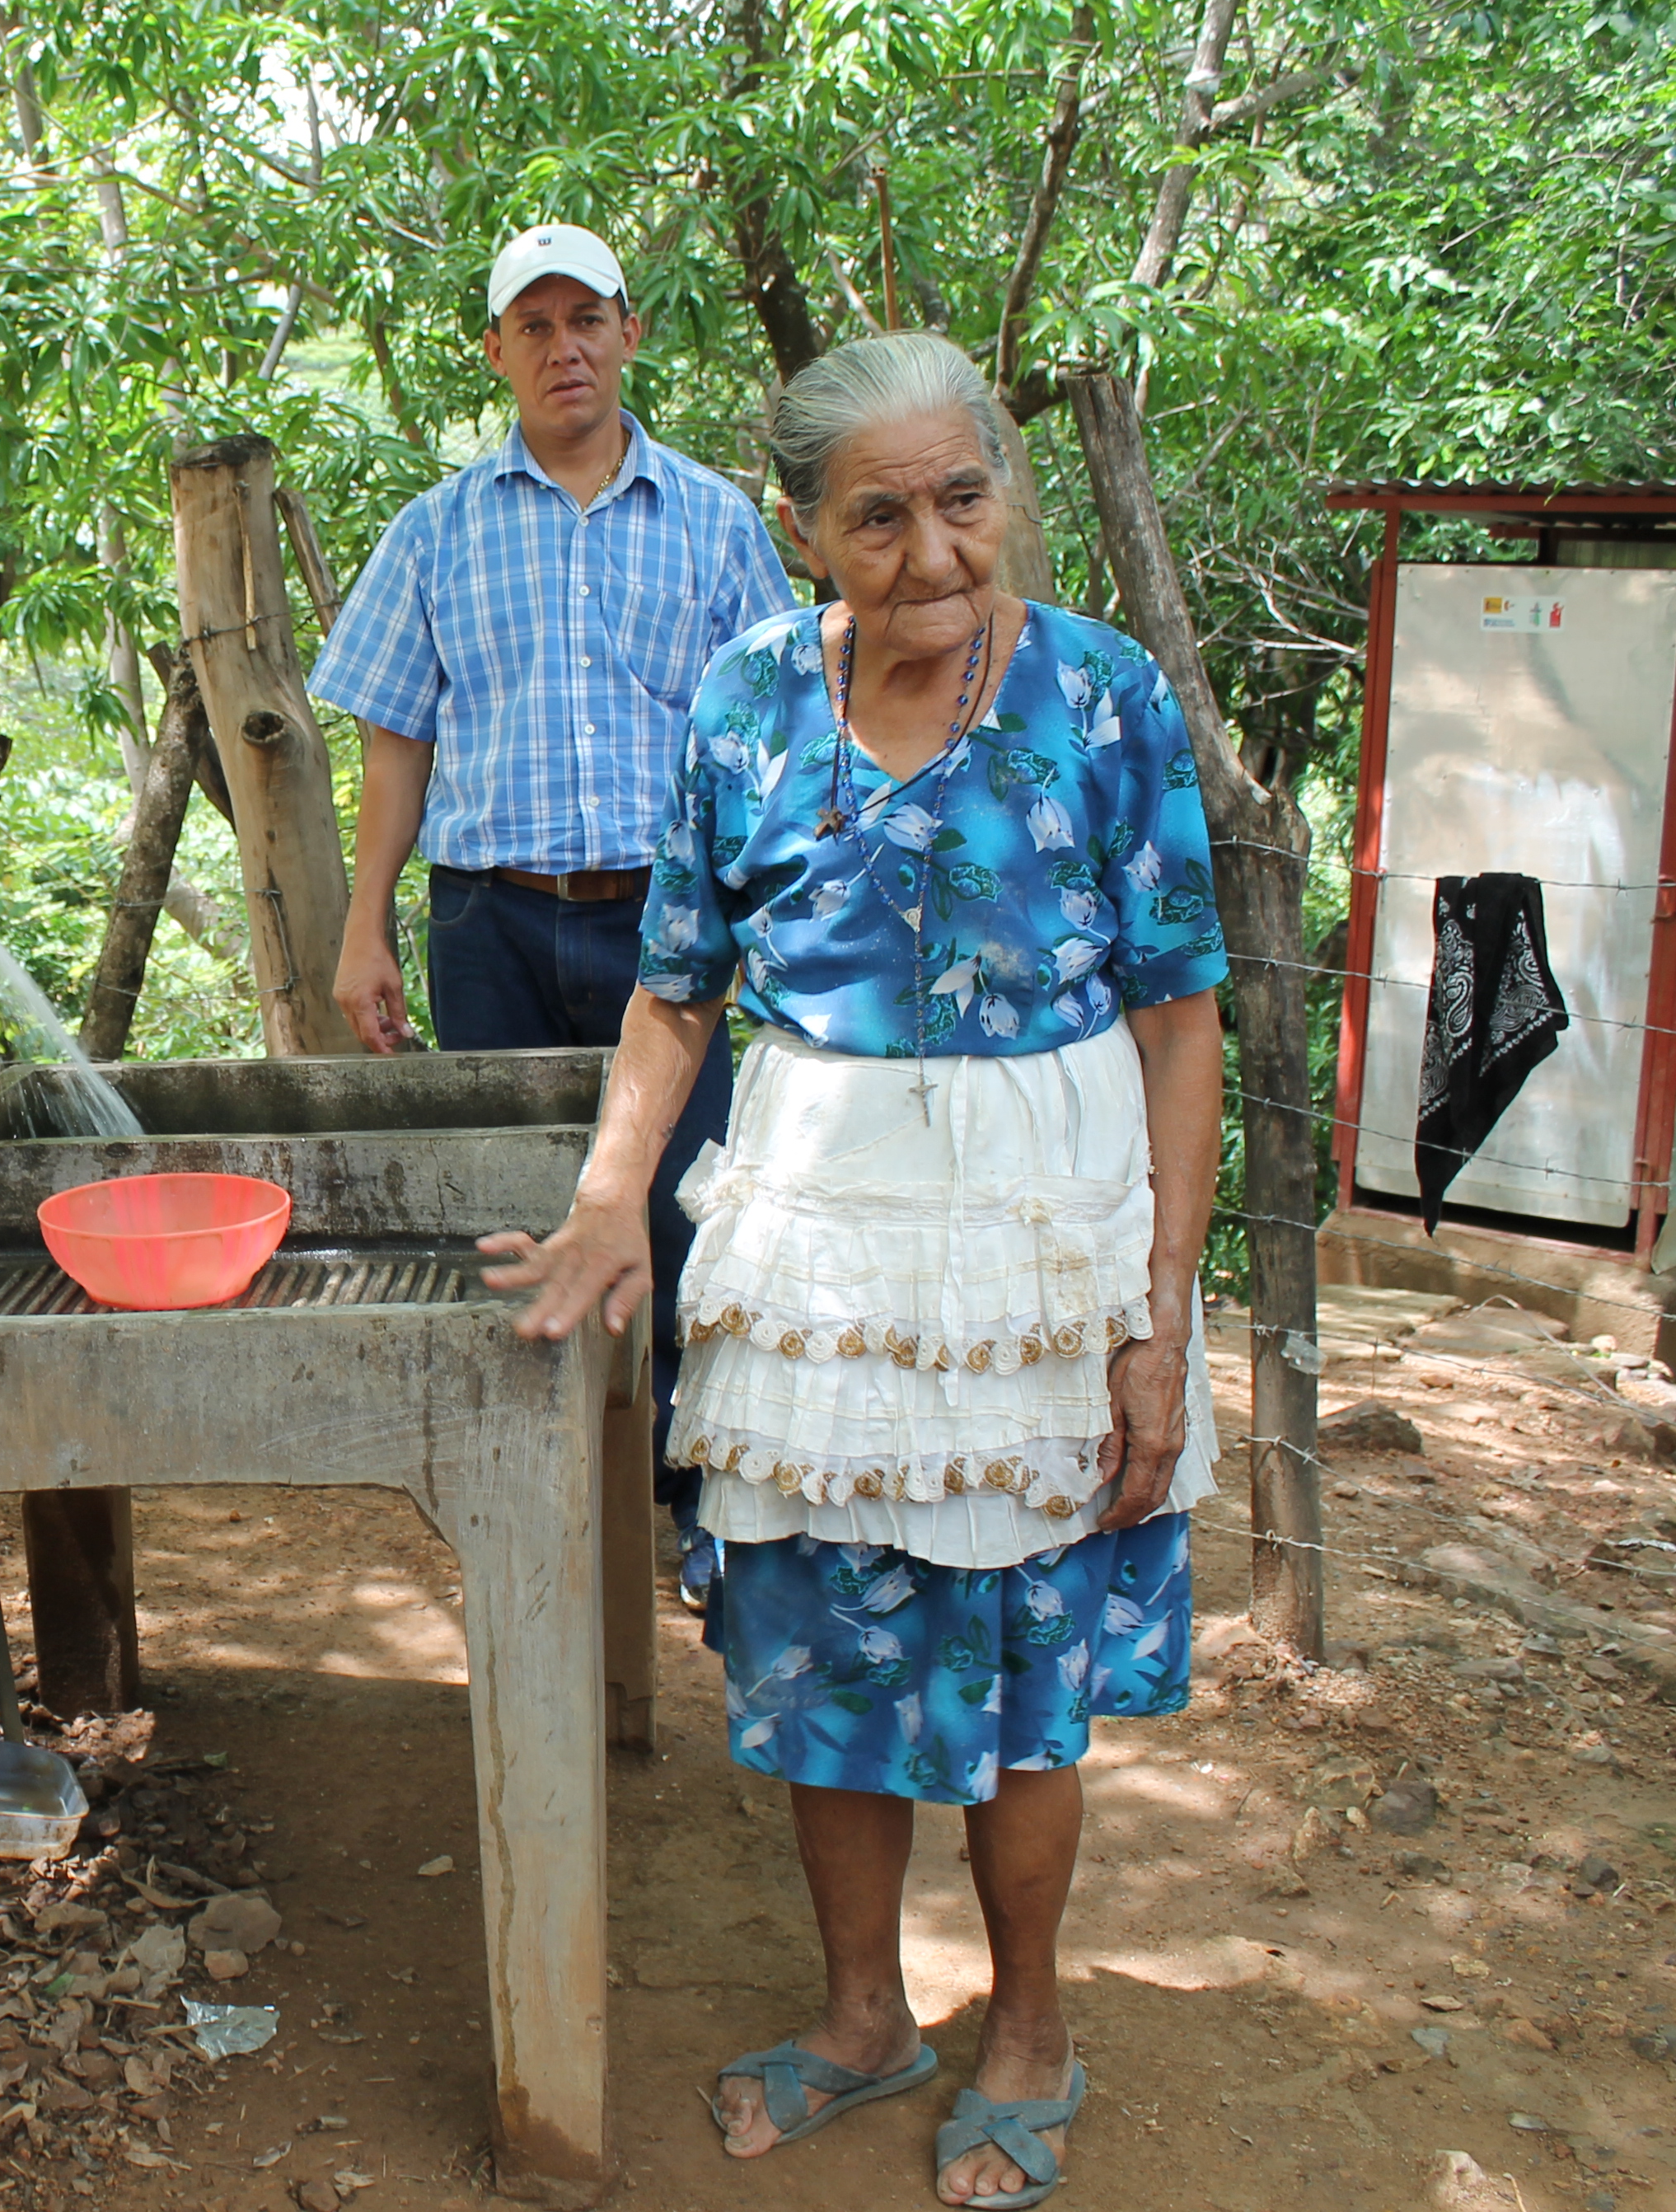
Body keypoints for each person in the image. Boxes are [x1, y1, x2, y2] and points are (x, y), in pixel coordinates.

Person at [481, 330, 1228, 2210]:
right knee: (827, 1633)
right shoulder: (745, 706)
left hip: (1046, 1241)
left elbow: (1182, 1021)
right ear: (806, 526)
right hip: (817, 1237)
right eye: (878, 518)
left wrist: (1160, 1309)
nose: (934, 554)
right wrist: (604, 1196)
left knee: (1024, 1644)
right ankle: (862, 2011)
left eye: (964, 500)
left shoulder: (1102, 695)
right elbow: (673, 989)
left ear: (1007, 493)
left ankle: (1031, 2018)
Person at [313, 222, 793, 1606]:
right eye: (534, 326)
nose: (565, 346)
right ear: (497, 354)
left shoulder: (714, 521)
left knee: (694, 1209)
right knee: (514, 1215)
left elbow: (768, 741)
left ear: (631, 333)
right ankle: (532, 1508)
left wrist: (767, 924)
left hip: (673, 932)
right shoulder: (438, 530)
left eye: (587, 318)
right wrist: (366, 926)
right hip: (492, 924)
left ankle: (706, 1510)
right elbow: (396, 741)